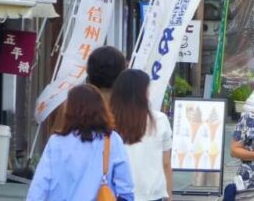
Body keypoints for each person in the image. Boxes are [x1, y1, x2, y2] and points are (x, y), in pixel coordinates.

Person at [29, 84, 134, 201]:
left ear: (69, 110)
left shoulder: (56, 141)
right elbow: (125, 188)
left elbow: (40, 185)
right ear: (101, 108)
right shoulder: (111, 140)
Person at [110, 69, 172, 201]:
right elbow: (166, 163)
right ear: (143, 92)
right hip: (153, 194)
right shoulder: (160, 120)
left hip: (119, 194)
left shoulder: (109, 121)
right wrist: (169, 196)